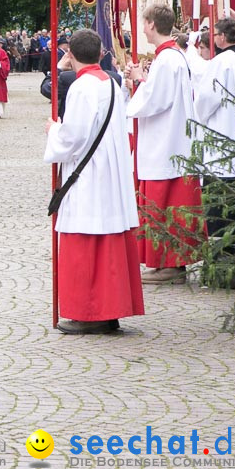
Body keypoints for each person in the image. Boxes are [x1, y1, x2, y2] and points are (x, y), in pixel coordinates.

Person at [44, 29, 143, 334]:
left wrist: (53, 130)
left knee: (85, 242)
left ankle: (90, 312)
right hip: (110, 171)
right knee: (108, 241)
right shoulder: (111, 84)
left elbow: (73, 136)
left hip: (89, 175)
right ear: (102, 54)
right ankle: (109, 310)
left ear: (69, 54)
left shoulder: (81, 87)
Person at [125, 5, 203, 284]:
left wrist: (137, 82)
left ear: (151, 24)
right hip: (170, 140)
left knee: (166, 203)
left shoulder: (167, 59)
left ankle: (171, 264)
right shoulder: (171, 57)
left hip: (166, 143)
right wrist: (143, 80)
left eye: (144, 23)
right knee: (168, 202)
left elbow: (155, 101)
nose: (143, 28)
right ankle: (168, 263)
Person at [193, 18, 235, 238]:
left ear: (221, 38)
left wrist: (199, 117)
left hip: (223, 144)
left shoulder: (221, 63)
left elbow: (206, 99)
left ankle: (222, 258)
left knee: (221, 218)